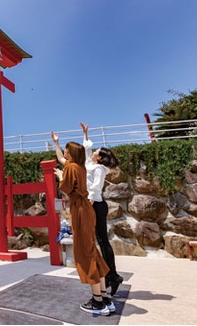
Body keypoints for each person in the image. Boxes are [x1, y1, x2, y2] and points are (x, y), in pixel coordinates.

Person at [51, 133, 114, 316]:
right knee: (92, 251)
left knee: (85, 253)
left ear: (71, 154)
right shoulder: (80, 166)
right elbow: (62, 159)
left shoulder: (71, 168)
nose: (64, 152)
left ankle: (97, 302)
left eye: (66, 150)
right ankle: (104, 297)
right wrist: (56, 143)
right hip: (86, 209)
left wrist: (59, 175)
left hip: (80, 210)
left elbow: (66, 186)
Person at [79, 122, 124, 296]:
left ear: (99, 158)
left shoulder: (99, 169)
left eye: (96, 152)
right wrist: (85, 133)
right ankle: (111, 275)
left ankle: (113, 275)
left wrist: (87, 206)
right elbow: (86, 149)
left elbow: (95, 188)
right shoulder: (91, 165)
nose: (94, 152)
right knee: (99, 240)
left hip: (96, 204)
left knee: (102, 240)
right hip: (94, 204)